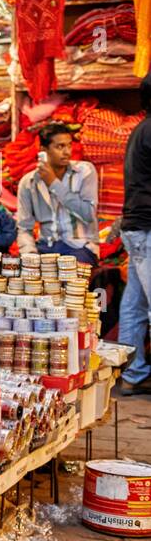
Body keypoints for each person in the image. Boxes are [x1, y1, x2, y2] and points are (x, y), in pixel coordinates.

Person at [15, 122, 99, 264]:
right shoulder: (29, 182)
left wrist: (54, 183)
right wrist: (30, 255)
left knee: (70, 280)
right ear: (43, 151)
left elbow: (88, 214)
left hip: (79, 247)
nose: (67, 152)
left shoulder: (85, 171)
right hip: (45, 248)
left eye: (69, 145)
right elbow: (24, 228)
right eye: (60, 146)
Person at [118, 73, 151, 396]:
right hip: (147, 227)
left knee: (135, 305)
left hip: (137, 226)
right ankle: (134, 372)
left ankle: (133, 373)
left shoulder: (141, 129)